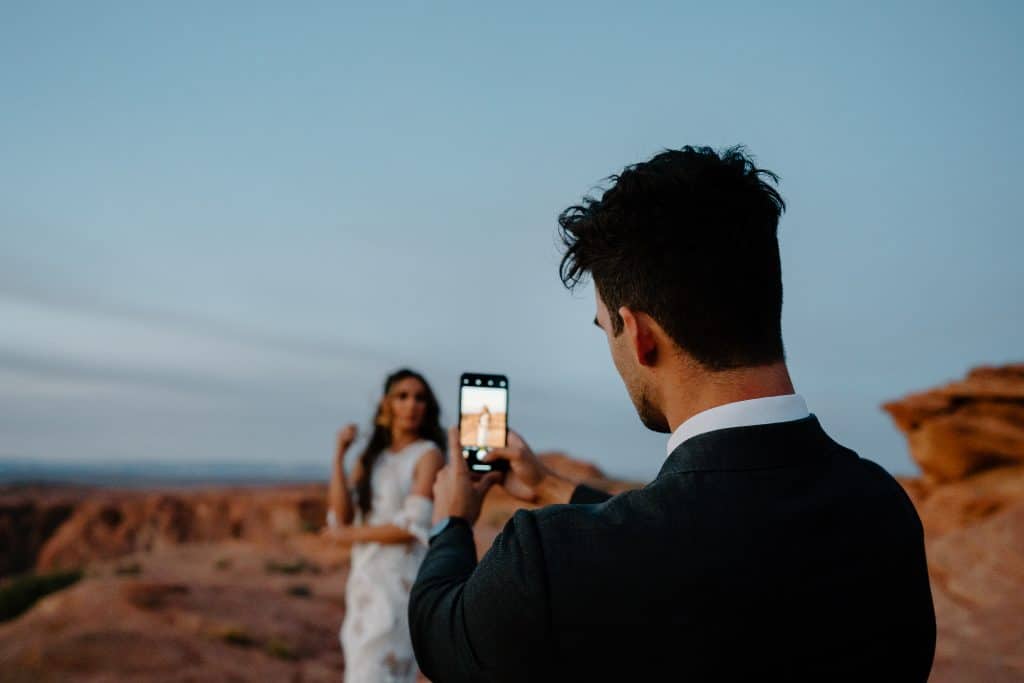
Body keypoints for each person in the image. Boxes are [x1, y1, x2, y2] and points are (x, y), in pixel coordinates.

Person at [409, 147, 936, 681]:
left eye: (604, 328)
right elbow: (697, 526)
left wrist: (451, 520)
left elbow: (439, 635)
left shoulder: (547, 561)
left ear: (638, 335)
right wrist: (549, 486)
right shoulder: (882, 509)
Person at [323, 368, 445, 683]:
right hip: (364, 580)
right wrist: (339, 456)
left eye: (419, 398)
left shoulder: (427, 455)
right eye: (402, 396)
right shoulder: (371, 457)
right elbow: (342, 515)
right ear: (386, 404)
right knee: (359, 666)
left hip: (399, 583)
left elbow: (412, 526)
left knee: (381, 671)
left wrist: (347, 536)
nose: (411, 405)